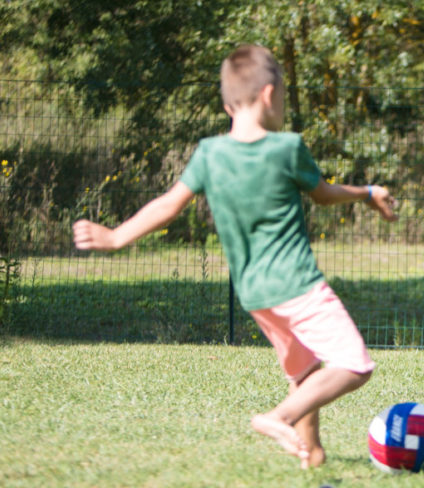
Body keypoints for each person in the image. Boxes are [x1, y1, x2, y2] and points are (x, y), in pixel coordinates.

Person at [72, 44, 398, 468]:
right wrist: (368, 193)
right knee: (355, 365)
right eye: (281, 98)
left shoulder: (210, 153)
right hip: (297, 283)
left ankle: (312, 455)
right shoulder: (287, 147)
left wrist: (116, 237)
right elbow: (324, 194)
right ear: (268, 94)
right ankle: (279, 416)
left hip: (256, 294)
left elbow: (167, 205)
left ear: (228, 103)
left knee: (304, 374)